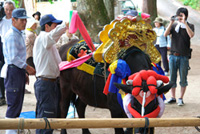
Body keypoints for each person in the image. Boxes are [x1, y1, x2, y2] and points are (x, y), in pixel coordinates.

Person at [33, 14, 68, 134]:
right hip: (45, 84)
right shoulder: (44, 37)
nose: (56, 27)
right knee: (46, 120)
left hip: (50, 83)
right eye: (55, 25)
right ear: (47, 27)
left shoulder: (48, 42)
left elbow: (59, 64)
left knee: (48, 118)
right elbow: (53, 35)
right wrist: (65, 26)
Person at [2, 8, 35, 134]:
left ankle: (13, 130)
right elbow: (13, 58)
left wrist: (24, 72)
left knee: (17, 103)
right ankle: (10, 132)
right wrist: (27, 68)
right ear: (13, 20)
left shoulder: (19, 34)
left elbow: (18, 57)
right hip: (13, 70)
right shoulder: (11, 35)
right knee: (14, 103)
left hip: (17, 70)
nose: (24, 23)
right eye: (22, 20)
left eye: (25, 20)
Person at [164, 7, 194, 106]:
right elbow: (165, 34)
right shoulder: (174, 26)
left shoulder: (190, 25)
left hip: (184, 56)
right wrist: (171, 22)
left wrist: (184, 22)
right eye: (179, 15)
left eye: (182, 15)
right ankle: (173, 97)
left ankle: (181, 98)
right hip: (173, 56)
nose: (180, 17)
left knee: (183, 78)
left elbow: (191, 35)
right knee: (172, 78)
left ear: (186, 16)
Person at [0, 0, 15, 106]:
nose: (8, 12)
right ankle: (2, 95)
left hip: (13, 48)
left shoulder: (15, 21)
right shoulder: (1, 21)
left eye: (10, 10)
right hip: (2, 48)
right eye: (6, 10)